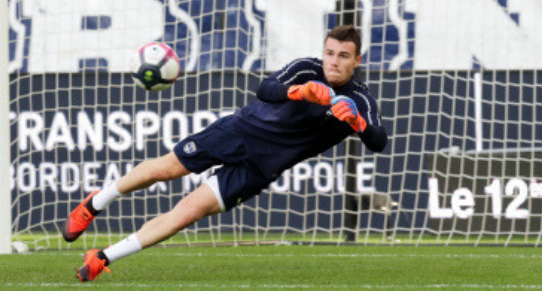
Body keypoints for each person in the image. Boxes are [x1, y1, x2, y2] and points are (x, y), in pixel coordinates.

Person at [62, 25, 388, 282]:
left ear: (357, 61)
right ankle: (95, 203)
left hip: (259, 169)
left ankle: (102, 258)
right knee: (165, 169)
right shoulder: (307, 69)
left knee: (187, 213)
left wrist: (357, 122)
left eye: (343, 56)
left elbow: (378, 141)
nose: (333, 61)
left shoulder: (360, 100)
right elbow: (266, 89)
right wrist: (300, 92)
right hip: (237, 132)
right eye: (330, 53)